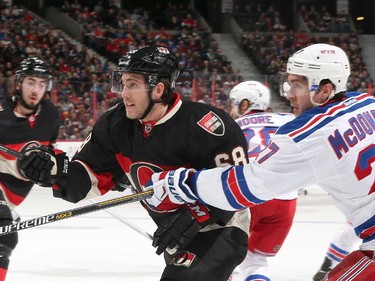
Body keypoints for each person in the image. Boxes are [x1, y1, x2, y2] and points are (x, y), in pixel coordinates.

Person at [143, 43, 375, 280]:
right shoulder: (367, 103)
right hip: (291, 205)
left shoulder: (309, 134)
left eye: (298, 84)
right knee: (256, 260)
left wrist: (184, 183)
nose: (288, 93)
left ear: (325, 90)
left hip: (262, 199)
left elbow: (247, 186)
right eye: (289, 82)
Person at [18, 45, 250, 281]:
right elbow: (85, 179)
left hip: (220, 226)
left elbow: (239, 185)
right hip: (175, 235)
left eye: (133, 85)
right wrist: (53, 170)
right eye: (123, 83)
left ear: (158, 90)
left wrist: (196, 213)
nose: (124, 93)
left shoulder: (207, 125)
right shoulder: (115, 125)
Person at [229, 80, 298, 281]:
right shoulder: (288, 118)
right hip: (285, 200)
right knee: (255, 260)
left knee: (222, 257)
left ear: (244, 104)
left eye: (235, 102)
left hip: (246, 196)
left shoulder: (231, 125)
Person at [0, 57, 60, 280]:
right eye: (31, 82)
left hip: (14, 194)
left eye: (42, 84)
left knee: (5, 237)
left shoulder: (51, 115)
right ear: (19, 84)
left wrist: (50, 168)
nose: (36, 89)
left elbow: (51, 151)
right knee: (4, 235)